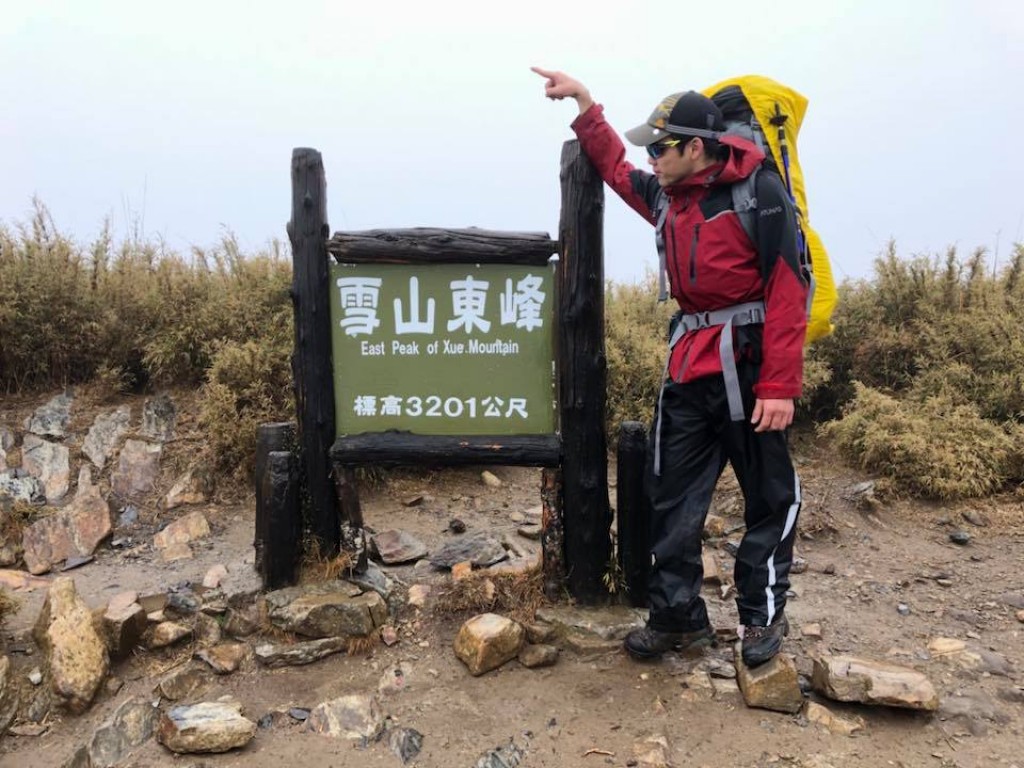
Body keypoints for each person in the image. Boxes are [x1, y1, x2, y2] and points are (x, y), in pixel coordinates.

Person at [532, 67, 807, 667]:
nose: (650, 157)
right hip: (688, 368)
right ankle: (678, 618)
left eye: (661, 147)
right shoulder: (666, 196)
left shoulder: (758, 192)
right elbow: (612, 168)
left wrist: (781, 384)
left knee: (769, 495)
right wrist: (584, 103)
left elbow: (790, 286)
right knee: (670, 492)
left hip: (750, 368)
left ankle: (761, 616)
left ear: (696, 148)